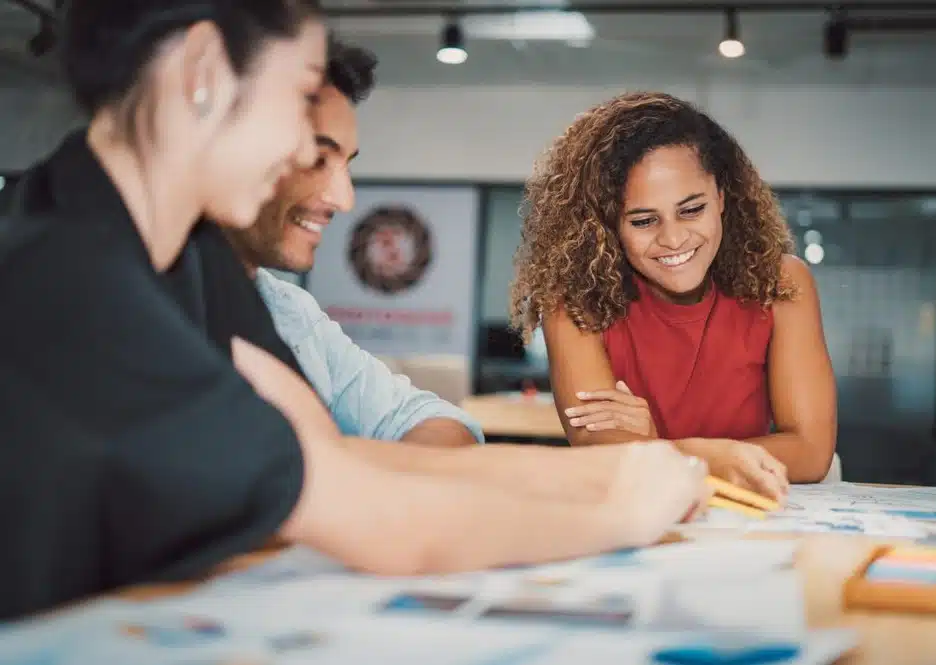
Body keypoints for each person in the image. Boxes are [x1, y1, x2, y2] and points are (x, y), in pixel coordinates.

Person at [0, 3, 709, 620]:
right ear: (203, 72)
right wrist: (622, 512)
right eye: (300, 98)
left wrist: (617, 473)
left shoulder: (191, 253)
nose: (319, 172)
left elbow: (335, 457)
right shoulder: (67, 274)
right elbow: (373, 518)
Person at [509, 92, 838, 498]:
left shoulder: (782, 283)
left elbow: (810, 451)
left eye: (691, 209)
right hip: (639, 520)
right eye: (644, 220)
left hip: (751, 513)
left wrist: (658, 446)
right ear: (607, 225)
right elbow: (601, 455)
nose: (674, 238)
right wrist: (714, 459)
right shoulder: (573, 301)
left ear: (721, 196)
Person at [222, 40, 482, 447]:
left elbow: (434, 419)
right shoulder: (140, 305)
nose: (345, 199)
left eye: (347, 164)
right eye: (316, 159)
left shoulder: (291, 312)